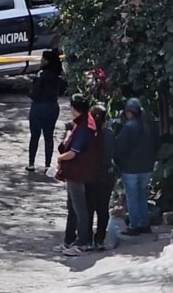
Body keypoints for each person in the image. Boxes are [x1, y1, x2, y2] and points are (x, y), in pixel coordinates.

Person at [56, 93, 101, 256]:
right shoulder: (83, 123)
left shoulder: (84, 127)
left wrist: (60, 158)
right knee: (73, 207)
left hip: (77, 172)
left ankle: (82, 242)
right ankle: (69, 240)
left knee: (79, 208)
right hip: (76, 172)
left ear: (75, 109)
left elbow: (73, 152)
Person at [113, 97, 160, 236]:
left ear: (129, 112)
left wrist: (118, 164)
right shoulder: (150, 126)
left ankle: (134, 226)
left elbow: (120, 148)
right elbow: (156, 145)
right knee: (142, 196)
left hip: (130, 169)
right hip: (146, 168)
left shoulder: (128, 128)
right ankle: (144, 224)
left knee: (132, 197)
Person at [87, 105, 118, 250]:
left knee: (88, 208)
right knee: (103, 208)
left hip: (91, 174)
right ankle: (99, 239)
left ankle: (87, 239)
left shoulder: (88, 133)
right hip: (106, 175)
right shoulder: (110, 133)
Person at [27, 50, 63, 171]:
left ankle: (31, 163)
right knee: (49, 136)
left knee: (35, 136)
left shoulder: (41, 74)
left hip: (39, 107)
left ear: (47, 61)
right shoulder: (57, 74)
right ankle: (47, 164)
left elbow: (34, 92)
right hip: (52, 107)